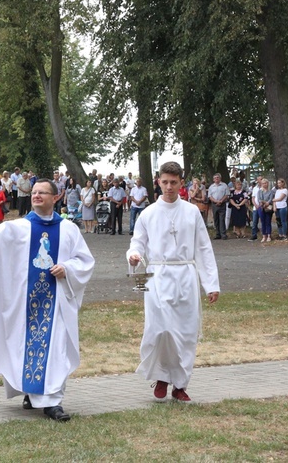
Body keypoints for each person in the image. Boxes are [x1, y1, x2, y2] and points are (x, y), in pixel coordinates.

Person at [0, 178, 94, 421]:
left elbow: (84, 261)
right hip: (23, 304)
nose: (36, 196)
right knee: (21, 345)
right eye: (34, 192)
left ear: (56, 198)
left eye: (43, 192)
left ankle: (52, 402)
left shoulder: (68, 229)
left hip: (57, 304)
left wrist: (67, 269)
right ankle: (31, 391)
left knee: (56, 348)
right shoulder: (17, 228)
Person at [126, 162, 220, 403]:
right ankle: (161, 376)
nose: (169, 187)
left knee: (186, 333)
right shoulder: (147, 214)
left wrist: (211, 284)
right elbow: (137, 243)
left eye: (174, 182)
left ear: (181, 183)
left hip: (185, 276)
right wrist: (134, 257)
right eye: (165, 182)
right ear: (158, 182)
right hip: (157, 276)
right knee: (160, 329)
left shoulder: (191, 212)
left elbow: (203, 248)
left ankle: (180, 384)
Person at [207, 173, 230, 240]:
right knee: (216, 219)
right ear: (213, 179)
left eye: (218, 177)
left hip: (222, 204)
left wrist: (221, 201)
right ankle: (218, 234)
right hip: (214, 204)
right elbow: (210, 196)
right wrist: (216, 201)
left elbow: (226, 194)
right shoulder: (211, 187)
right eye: (215, 178)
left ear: (220, 178)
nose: (216, 179)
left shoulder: (224, 185)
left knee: (222, 219)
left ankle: (223, 234)